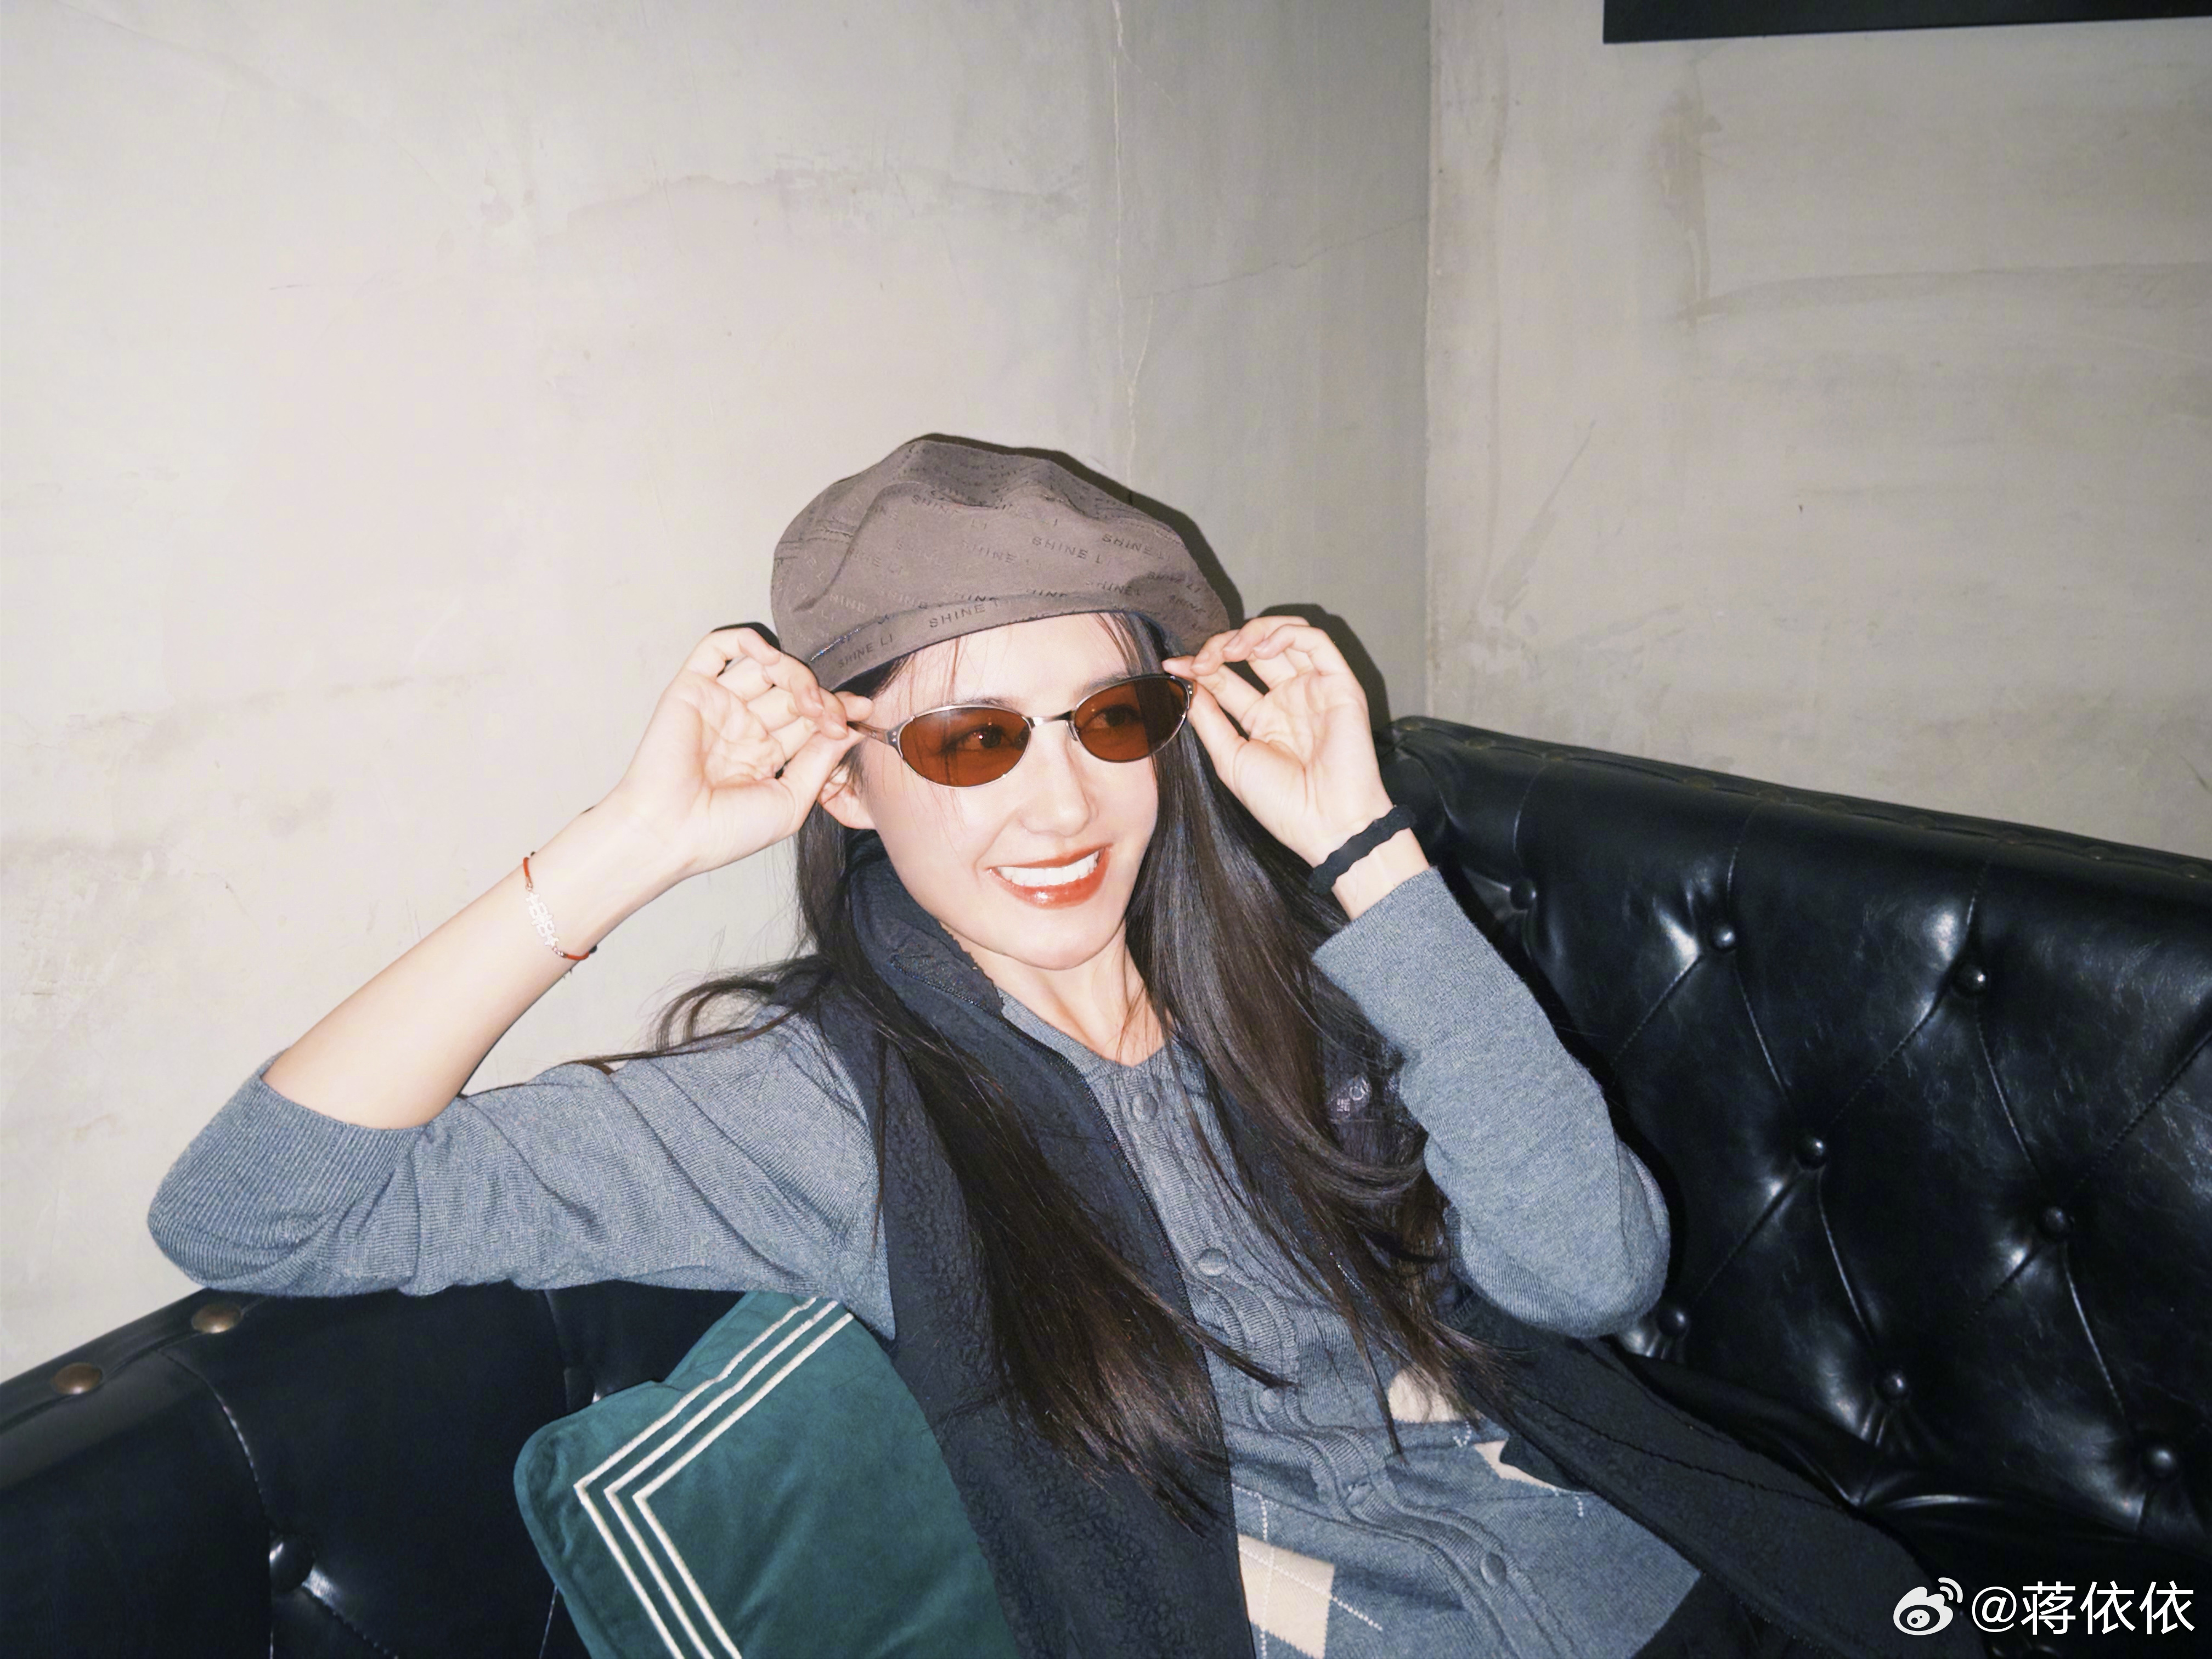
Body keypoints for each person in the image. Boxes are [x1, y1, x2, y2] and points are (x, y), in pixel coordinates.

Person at [149, 438, 1971, 1659]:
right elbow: (250, 1211)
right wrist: (626, 850)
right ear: (847, 782)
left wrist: (1373, 856)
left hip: (1670, 1578)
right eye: (968, 743)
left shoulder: (1304, 978)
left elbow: (1591, 1275)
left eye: (1108, 717)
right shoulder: (821, 1115)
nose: (1061, 803)